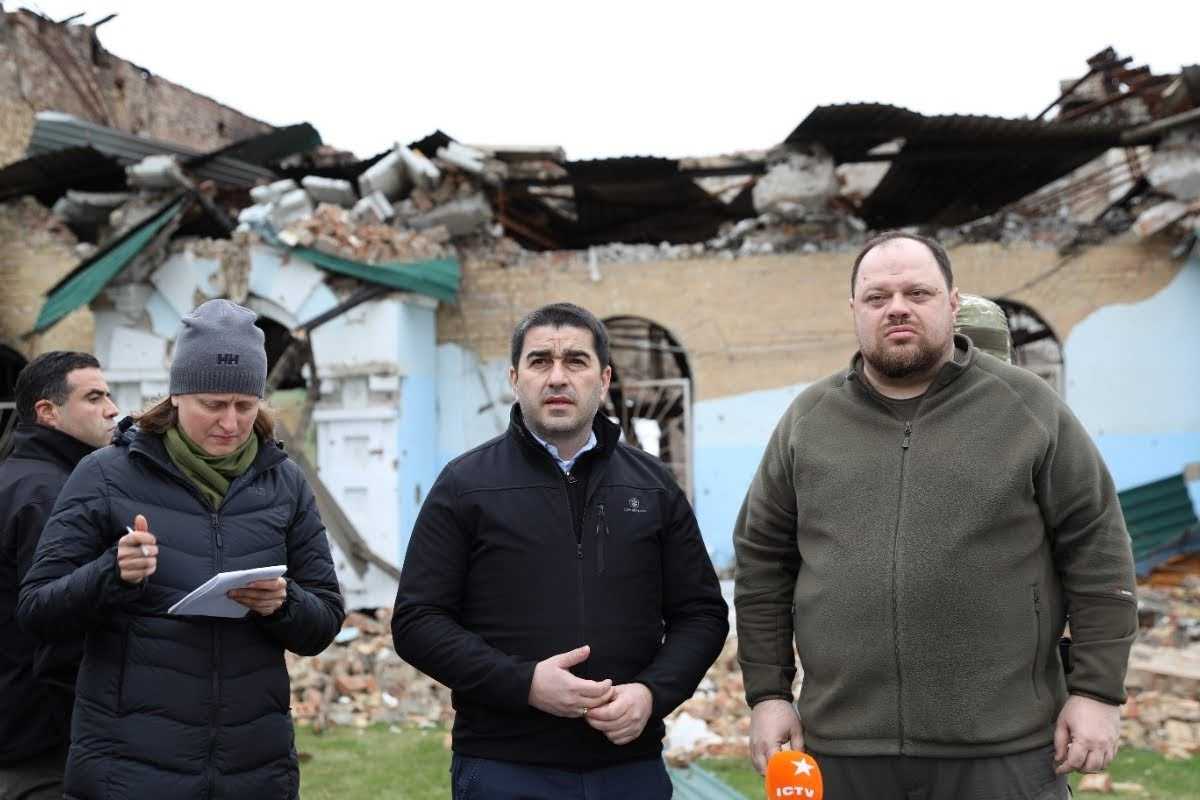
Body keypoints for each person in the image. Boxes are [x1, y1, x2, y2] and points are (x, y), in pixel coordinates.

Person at [734, 232, 1137, 799]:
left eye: (917, 292)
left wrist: (1097, 692)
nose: (897, 307)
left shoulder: (1029, 409)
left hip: (1004, 750)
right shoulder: (809, 420)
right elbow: (762, 565)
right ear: (854, 311)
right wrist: (769, 694)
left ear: (951, 303)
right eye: (877, 297)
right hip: (843, 749)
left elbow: (1099, 551)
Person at [392, 302, 728, 800]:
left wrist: (652, 694)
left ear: (603, 377)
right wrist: (522, 682)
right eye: (539, 362)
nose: (557, 377)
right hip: (504, 766)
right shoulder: (465, 486)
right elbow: (418, 621)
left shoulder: (654, 486)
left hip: (628, 767)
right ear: (514, 377)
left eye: (575, 361)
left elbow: (701, 613)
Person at [18, 300, 344, 799]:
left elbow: (323, 620)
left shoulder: (285, 483)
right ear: (176, 396)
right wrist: (113, 572)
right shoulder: (105, 474)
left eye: (245, 405)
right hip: (128, 770)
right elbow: (38, 609)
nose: (230, 423)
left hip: (252, 768)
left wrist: (283, 603)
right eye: (213, 405)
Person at [0, 352, 118, 800]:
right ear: (48, 412)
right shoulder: (50, 494)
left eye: (108, 395)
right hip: (44, 741)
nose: (111, 408)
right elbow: (57, 622)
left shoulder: (20, 478)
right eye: (94, 397)